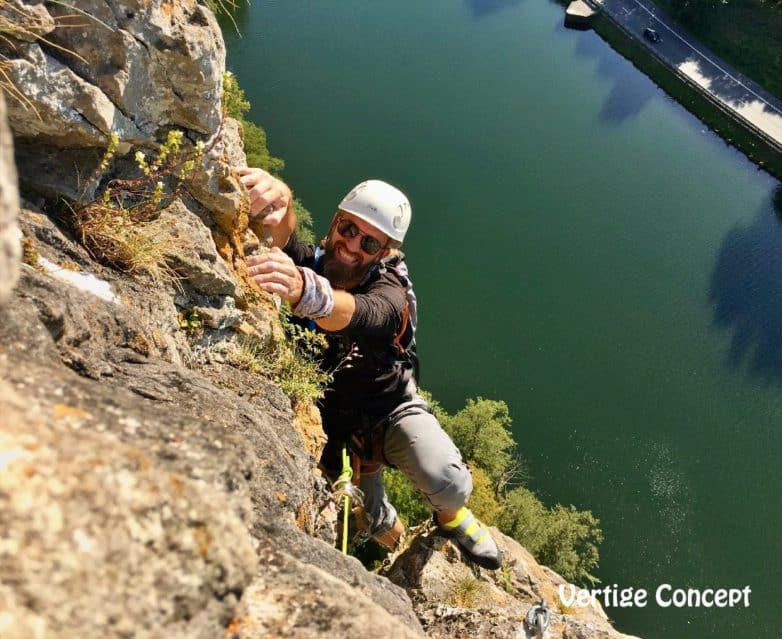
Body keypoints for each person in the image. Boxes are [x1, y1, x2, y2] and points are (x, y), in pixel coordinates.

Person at [237, 167, 502, 570]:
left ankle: (451, 519)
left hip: (386, 411)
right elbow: (286, 239)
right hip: (330, 420)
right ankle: (390, 533)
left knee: (446, 481)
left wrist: (309, 294)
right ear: (334, 222)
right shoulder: (322, 261)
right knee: (365, 509)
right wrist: (281, 200)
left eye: (369, 241)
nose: (351, 245)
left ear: (385, 251)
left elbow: (369, 313)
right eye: (347, 227)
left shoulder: (394, 293)